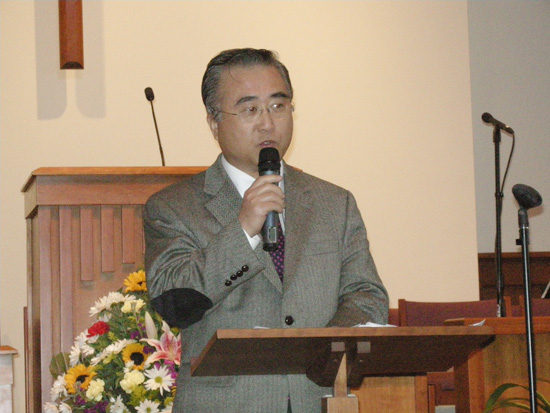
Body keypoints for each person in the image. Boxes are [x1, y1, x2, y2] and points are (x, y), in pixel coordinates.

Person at [144, 48, 388, 412]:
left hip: (315, 400)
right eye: (249, 109)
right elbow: (175, 304)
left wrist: (321, 350)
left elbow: (367, 296)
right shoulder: (173, 207)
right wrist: (243, 229)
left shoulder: (335, 203)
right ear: (213, 122)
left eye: (278, 105)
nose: (267, 123)